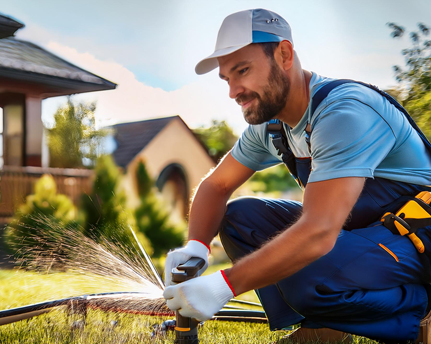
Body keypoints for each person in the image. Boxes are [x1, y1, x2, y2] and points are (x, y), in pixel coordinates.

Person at [162, 8, 431, 343]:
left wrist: (224, 285)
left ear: (284, 54)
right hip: (364, 235)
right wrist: (196, 246)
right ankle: (323, 324)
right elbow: (217, 185)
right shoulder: (272, 124)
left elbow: (318, 232)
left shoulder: (344, 113)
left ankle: (417, 307)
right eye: (227, 78)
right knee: (239, 219)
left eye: (242, 70)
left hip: (418, 240)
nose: (234, 91)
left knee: (307, 274)